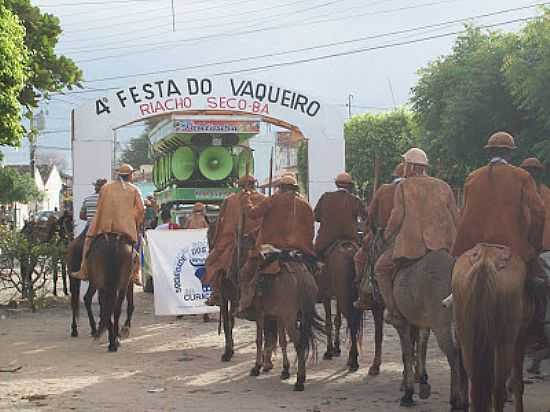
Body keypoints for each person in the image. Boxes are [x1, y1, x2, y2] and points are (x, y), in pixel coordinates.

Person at [376, 148, 459, 325]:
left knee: (380, 269)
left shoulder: (404, 186)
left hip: (413, 247)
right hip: (444, 246)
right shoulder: (444, 186)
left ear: (411, 166)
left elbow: (397, 216)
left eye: (406, 164)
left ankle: (393, 312)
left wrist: (387, 234)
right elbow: (456, 216)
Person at [451, 132, 545, 268]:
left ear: (489, 153)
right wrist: (534, 243)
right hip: (513, 245)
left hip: (474, 245)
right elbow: (539, 212)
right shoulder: (522, 176)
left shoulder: (473, 177)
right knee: (540, 281)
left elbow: (465, 213)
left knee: (453, 279)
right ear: (510, 153)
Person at [238, 174, 316, 317]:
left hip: (272, 249)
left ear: (280, 188)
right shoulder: (305, 205)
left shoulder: (272, 200)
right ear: (294, 188)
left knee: (245, 273)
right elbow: (310, 231)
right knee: (315, 271)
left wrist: (245, 200)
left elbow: (252, 214)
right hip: (299, 251)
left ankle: (246, 304)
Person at [71, 164, 145, 284]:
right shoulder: (134, 189)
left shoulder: (106, 188)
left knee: (88, 242)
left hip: (103, 226)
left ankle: (83, 269)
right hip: (125, 228)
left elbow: (100, 207)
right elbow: (141, 209)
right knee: (138, 245)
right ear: (130, 175)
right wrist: (133, 220)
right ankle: (136, 274)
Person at [203, 175, 265, 306]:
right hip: (260, 242)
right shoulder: (264, 199)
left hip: (232, 241)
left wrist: (216, 241)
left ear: (239, 185)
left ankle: (216, 292)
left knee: (211, 262)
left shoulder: (230, 200)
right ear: (254, 184)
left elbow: (221, 225)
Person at [353, 163, 404, 309]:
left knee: (359, 258)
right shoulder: (416, 190)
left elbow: (370, 216)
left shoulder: (384, 190)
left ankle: (364, 293)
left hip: (386, 238)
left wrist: (370, 227)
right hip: (416, 238)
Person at [314, 172, 367, 259]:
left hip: (325, 241)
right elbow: (365, 218)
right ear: (350, 186)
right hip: (351, 240)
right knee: (363, 262)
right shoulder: (355, 200)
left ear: (336, 184)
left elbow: (316, 217)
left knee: (314, 263)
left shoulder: (325, 197)